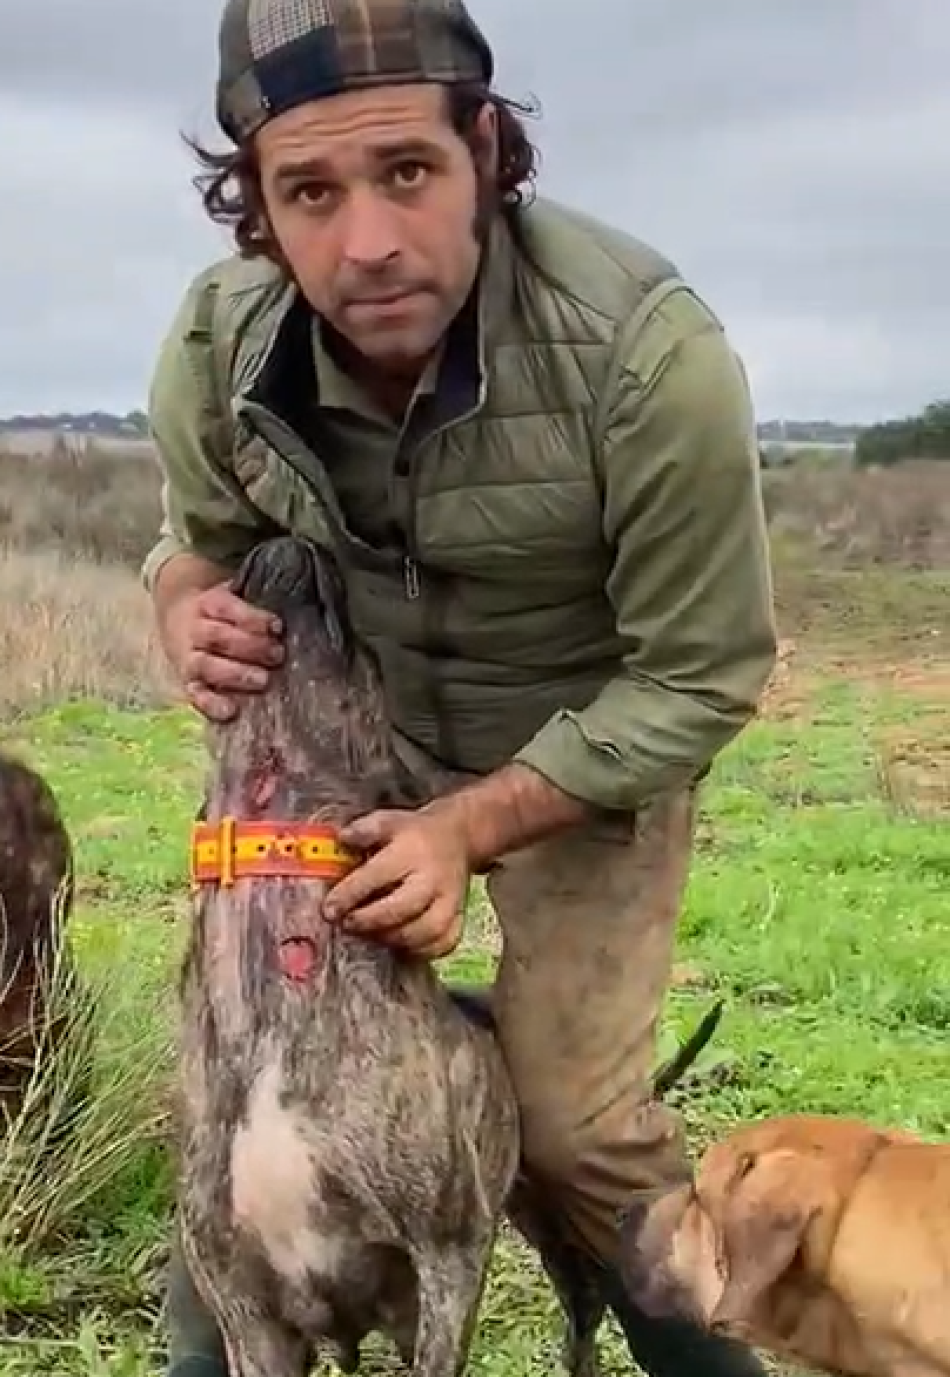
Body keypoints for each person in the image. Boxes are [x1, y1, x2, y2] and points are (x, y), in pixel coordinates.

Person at [144, 1, 778, 1373]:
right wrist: (183, 603)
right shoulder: (220, 339)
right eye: (307, 192)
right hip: (350, 757)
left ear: (486, 151)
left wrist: (467, 829)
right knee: (240, 1087)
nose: (364, 242)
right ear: (254, 203)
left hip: (579, 756)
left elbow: (702, 671)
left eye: (408, 174)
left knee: (572, 1128)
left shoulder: (645, 356)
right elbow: (200, 541)